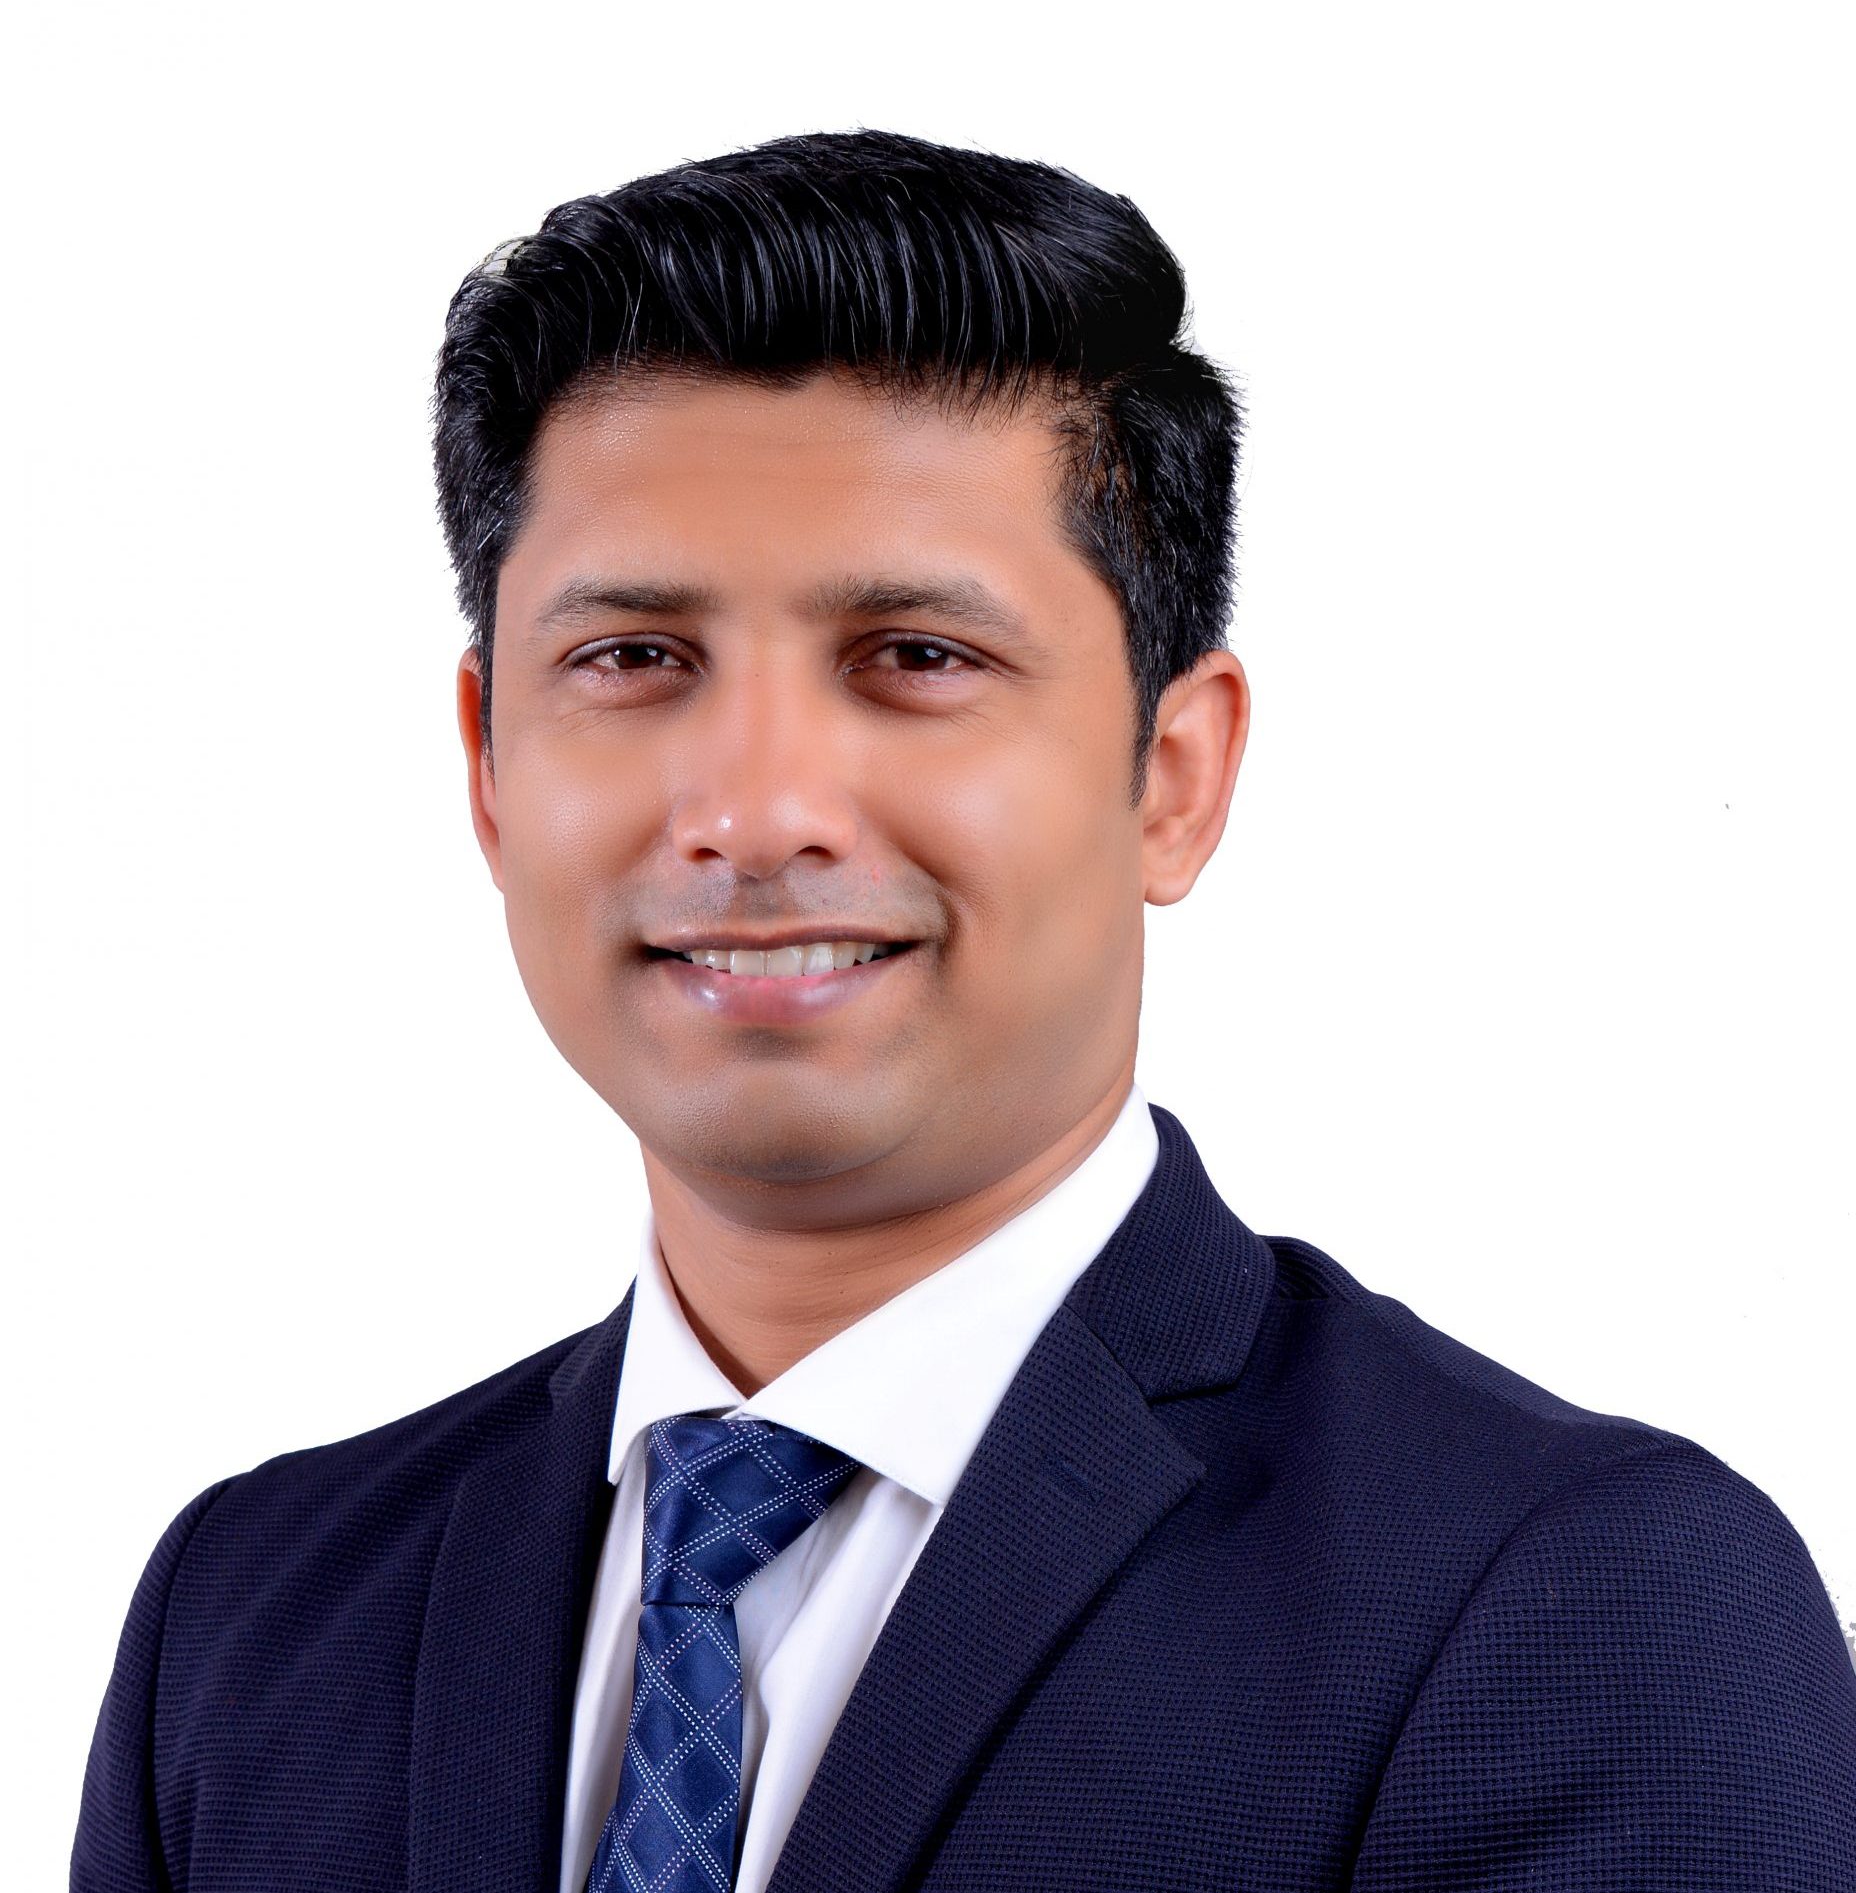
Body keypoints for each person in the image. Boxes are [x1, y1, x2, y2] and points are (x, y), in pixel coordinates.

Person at [71, 127, 1855, 1893]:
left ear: (1173, 774)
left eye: (916, 658)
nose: (756, 810)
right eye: (633, 659)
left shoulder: (1582, 1609)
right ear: (486, 765)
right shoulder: (246, 1623)